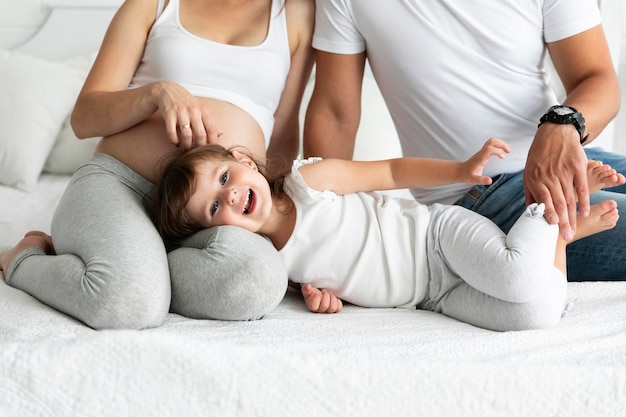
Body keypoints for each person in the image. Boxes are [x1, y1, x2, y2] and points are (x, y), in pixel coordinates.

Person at [0, 0, 315, 329]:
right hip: (121, 184)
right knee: (130, 304)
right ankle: (23, 259)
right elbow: (83, 120)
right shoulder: (154, 4)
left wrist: (301, 248)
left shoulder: (295, 12)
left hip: (217, 215)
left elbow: (282, 132)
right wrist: (157, 93)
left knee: (258, 278)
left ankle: (138, 269)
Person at [149, 138, 622, 331]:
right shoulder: (273, 265)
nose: (229, 197)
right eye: (214, 207)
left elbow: (391, 170)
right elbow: (343, 278)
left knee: (516, 278)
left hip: (436, 240)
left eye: (226, 178)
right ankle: (560, 237)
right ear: (217, 235)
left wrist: (459, 169)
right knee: (534, 315)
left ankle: (545, 207)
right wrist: (326, 300)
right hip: (429, 297)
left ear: (246, 163)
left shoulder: (309, 183)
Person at [304, 0, 626, 281]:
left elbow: (597, 78)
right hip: (474, 200)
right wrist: (321, 234)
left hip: (561, 154)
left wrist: (561, 124)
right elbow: (335, 114)